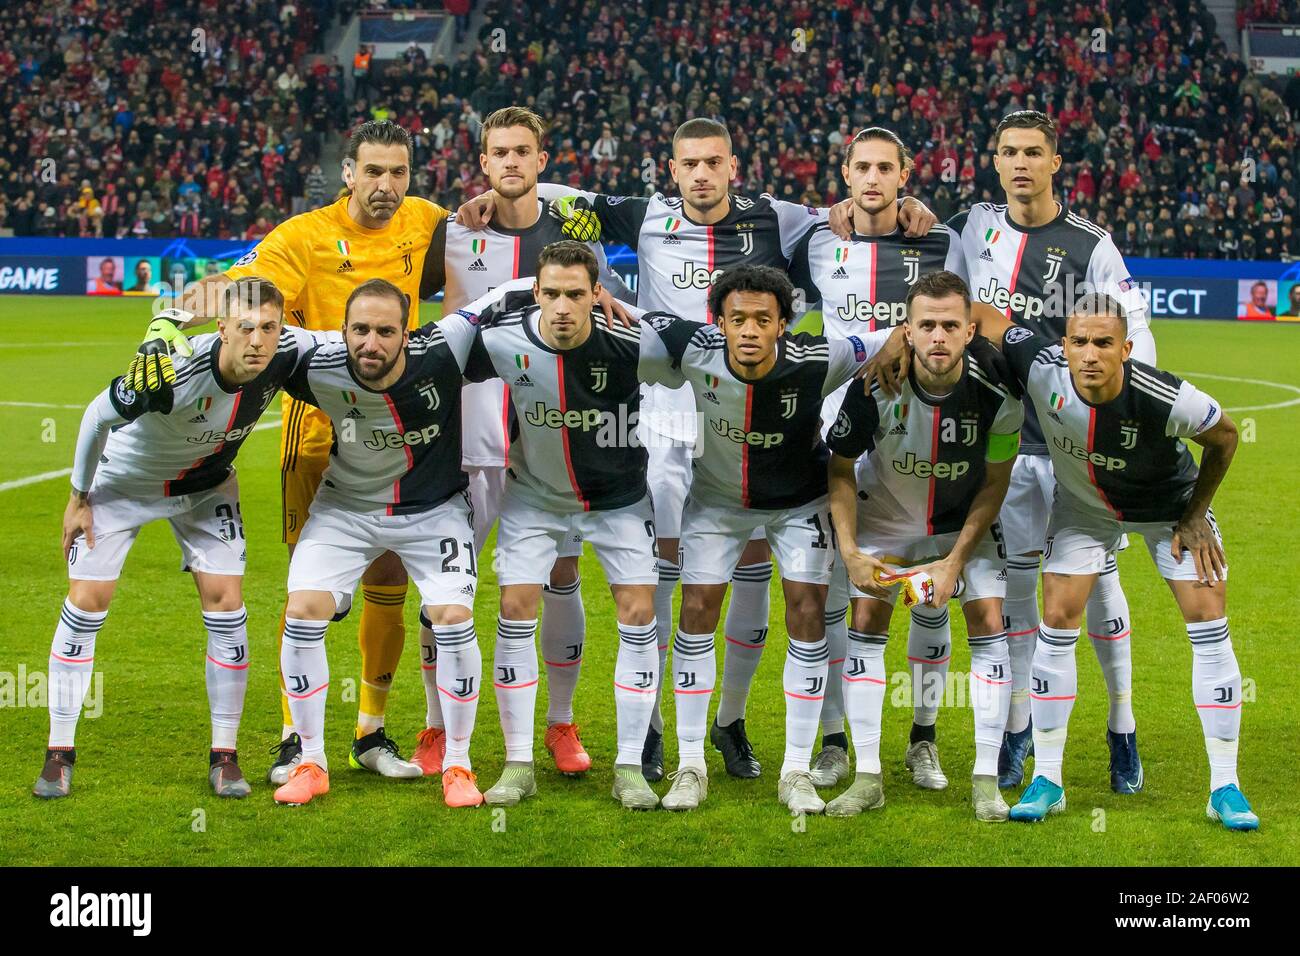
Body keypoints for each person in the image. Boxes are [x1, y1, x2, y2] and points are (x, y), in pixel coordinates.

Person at [460, 118, 936, 783]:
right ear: (673, 169)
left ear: (732, 166)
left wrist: (912, 205)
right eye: (690, 164)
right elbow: (567, 198)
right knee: (664, 570)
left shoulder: (780, 218)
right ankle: (652, 725)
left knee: (748, 561)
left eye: (714, 162)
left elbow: (852, 211)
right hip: (661, 418)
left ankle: (730, 719)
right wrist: (501, 195)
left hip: (743, 409)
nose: (702, 174)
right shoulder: (645, 214)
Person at [171, 121, 452, 784]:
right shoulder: (301, 237)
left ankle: (371, 731)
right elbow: (247, 288)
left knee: (389, 580)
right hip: (318, 431)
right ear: (347, 172)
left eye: (399, 173)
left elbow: (495, 238)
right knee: (312, 593)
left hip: (397, 430)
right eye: (373, 172)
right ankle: (296, 739)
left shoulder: (431, 223)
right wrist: (184, 307)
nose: (386, 187)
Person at [975, 294, 1258, 831]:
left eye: (1104, 343)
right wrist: (902, 339)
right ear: (1064, 344)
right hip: (1085, 512)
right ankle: (1049, 780)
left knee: (1209, 622)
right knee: (1056, 618)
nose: (1089, 354)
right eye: (1079, 341)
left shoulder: (1162, 395)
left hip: (1169, 510)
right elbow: (982, 314)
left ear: (1126, 349)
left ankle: (1226, 787)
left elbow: (1224, 437)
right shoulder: (1042, 368)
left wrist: (1196, 513)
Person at [34, 279, 321, 799]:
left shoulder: (290, 352)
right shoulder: (172, 373)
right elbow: (96, 416)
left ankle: (225, 756)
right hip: (122, 484)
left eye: (270, 328)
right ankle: (59, 752)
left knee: (227, 605)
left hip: (206, 487)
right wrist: (79, 497)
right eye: (246, 328)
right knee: (87, 602)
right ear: (223, 329)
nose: (258, 340)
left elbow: (355, 347)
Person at [416, 107, 636, 778]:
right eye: (498, 153)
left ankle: (560, 724)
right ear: (481, 163)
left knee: (559, 579)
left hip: (548, 443)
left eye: (523, 152)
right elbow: (405, 303)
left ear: (543, 160)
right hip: (466, 440)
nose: (510, 162)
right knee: (440, 589)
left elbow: (612, 284)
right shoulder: (451, 232)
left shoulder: (573, 233)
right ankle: (432, 726)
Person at [638, 265, 893, 814]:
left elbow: (888, 334)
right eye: (737, 320)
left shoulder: (818, 359)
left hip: (799, 505)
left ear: (783, 325)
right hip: (716, 504)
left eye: (762, 319)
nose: (749, 330)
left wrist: (900, 345)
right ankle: (689, 765)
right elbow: (633, 321)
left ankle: (796, 771)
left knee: (807, 610)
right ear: (719, 323)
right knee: (697, 610)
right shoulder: (693, 350)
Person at [792, 126, 967, 791]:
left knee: (929, 598)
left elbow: (967, 317)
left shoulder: (939, 239)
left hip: (925, 441)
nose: (871, 178)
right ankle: (836, 741)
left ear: (904, 174)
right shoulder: (815, 237)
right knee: (839, 595)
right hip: (840, 438)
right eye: (860, 167)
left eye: (884, 168)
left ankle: (923, 739)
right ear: (844, 173)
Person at [458, 242, 661, 809]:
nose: (564, 306)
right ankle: (518, 761)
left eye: (577, 293)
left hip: (618, 499)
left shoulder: (631, 341)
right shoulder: (501, 339)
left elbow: (700, 358)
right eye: (551, 293)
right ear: (535, 293)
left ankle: (628, 768)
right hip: (535, 498)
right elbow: (432, 361)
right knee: (515, 605)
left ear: (598, 294)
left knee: (639, 613)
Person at [271, 278, 486, 808]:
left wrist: (584, 290)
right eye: (360, 330)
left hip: (434, 512)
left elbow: (501, 297)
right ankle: (311, 759)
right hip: (345, 510)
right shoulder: (316, 357)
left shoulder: (444, 347)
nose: (371, 343)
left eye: (385, 331)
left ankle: (458, 764)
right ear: (340, 331)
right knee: (302, 612)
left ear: (406, 333)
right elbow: (244, 333)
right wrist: (168, 330)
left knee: (453, 618)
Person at [824, 271, 1022, 821]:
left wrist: (955, 561)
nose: (938, 336)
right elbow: (839, 470)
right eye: (927, 325)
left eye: (950, 326)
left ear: (969, 330)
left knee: (987, 619)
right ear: (906, 331)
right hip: (885, 520)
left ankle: (985, 781)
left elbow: (995, 481)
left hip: (961, 525)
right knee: (865, 620)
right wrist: (850, 552)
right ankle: (867, 776)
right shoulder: (874, 386)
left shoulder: (999, 390)